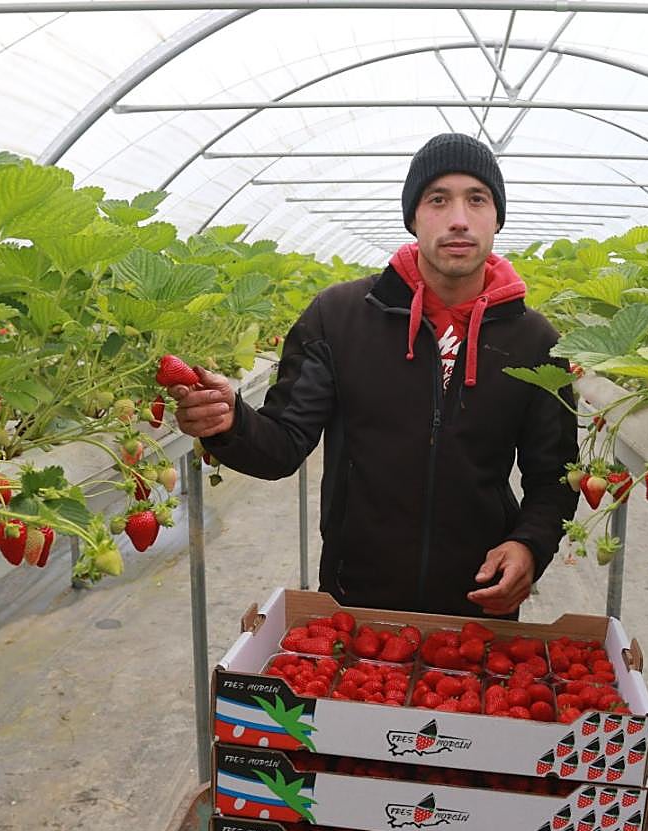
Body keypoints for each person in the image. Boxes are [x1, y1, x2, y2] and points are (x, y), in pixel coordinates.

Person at [171, 133, 579, 618]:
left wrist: (530, 546)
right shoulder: (339, 317)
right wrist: (230, 422)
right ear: (413, 216)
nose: (458, 219)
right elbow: (283, 444)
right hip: (356, 600)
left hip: (478, 605)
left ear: (496, 217)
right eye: (438, 200)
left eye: (477, 199)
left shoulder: (536, 342)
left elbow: (554, 476)